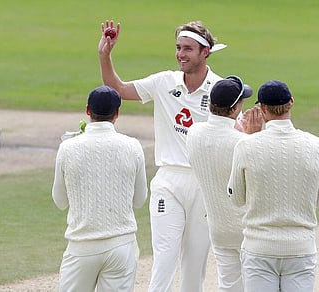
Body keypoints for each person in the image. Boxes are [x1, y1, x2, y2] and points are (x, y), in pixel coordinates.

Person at [98, 19, 227, 291]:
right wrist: (105, 55)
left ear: (205, 52)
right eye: (178, 47)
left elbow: (232, 133)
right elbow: (118, 90)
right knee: (165, 257)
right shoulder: (164, 82)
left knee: (194, 265)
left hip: (204, 185)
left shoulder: (219, 88)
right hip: (168, 181)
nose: (181, 54)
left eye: (188, 49)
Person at [227, 80, 319, 292]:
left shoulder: (246, 145)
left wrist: (251, 139)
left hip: (259, 248)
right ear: (291, 102)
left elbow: (237, 198)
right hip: (300, 248)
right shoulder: (317, 145)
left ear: (262, 108)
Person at [52, 85, 148, 292]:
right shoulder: (133, 146)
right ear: (117, 114)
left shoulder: (68, 147)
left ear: (88, 111)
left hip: (82, 246)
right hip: (122, 245)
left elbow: (59, 201)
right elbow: (139, 200)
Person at [186, 75, 261, 291]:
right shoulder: (244, 142)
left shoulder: (194, 133)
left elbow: (218, 137)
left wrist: (245, 134)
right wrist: (254, 136)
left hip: (218, 226)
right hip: (247, 228)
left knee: (228, 285)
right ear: (236, 107)